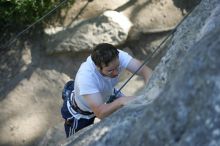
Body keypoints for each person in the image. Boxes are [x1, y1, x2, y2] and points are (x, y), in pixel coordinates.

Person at [61, 43, 152, 137]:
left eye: (117, 67)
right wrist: (121, 101)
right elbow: (100, 113)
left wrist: (150, 89)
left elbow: (145, 71)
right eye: (110, 70)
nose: (116, 72)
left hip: (106, 94)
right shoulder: (86, 78)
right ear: (97, 67)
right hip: (81, 114)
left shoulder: (116, 56)